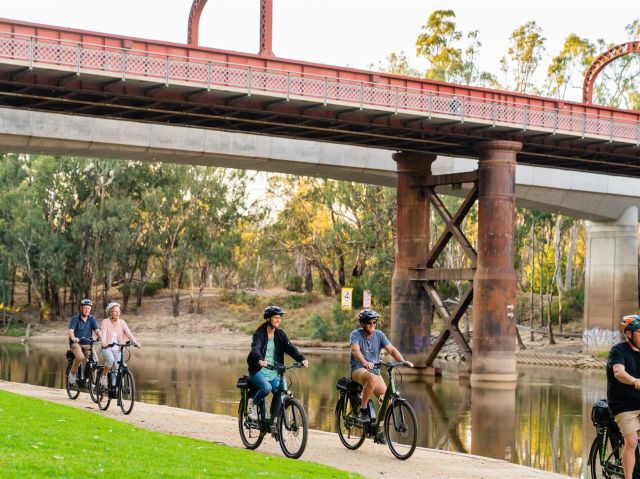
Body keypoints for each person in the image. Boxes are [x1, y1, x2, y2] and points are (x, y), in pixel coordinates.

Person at [350, 309, 413, 424]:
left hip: (374, 371)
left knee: (387, 402)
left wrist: (403, 361)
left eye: (374, 322)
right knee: (372, 378)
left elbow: (391, 349)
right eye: (369, 323)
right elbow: (355, 350)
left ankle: (378, 430)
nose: (372, 325)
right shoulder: (355, 334)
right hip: (358, 369)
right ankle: (363, 410)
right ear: (363, 324)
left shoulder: (379, 335)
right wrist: (364, 362)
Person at [246, 305, 308, 421]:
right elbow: (256, 347)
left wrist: (301, 359)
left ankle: (273, 422)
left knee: (280, 393)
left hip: (274, 371)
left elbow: (290, 348)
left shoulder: (280, 334)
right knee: (266, 388)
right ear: (268, 318)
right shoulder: (259, 334)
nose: (278, 320)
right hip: (258, 370)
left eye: (280, 317)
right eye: (275, 317)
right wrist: (260, 359)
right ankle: (252, 404)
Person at [607, 314, 640, 479]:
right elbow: (618, 372)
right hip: (623, 405)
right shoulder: (618, 350)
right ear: (629, 334)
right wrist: (634, 381)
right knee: (632, 441)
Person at [99, 302, 141, 387]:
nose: (118, 313)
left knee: (118, 369)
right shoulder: (105, 322)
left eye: (118, 311)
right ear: (110, 312)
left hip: (119, 349)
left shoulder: (122, 322)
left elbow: (129, 334)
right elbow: (103, 334)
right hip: (107, 348)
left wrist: (135, 342)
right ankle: (104, 376)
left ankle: (117, 389)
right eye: (115, 311)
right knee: (110, 359)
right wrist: (103, 342)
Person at [68, 298, 103, 385]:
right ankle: (72, 374)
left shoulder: (91, 318)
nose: (87, 310)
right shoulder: (75, 318)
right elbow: (71, 331)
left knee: (95, 360)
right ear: (81, 309)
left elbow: (97, 330)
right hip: (76, 343)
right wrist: (74, 338)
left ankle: (90, 380)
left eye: (89, 308)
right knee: (80, 357)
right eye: (85, 308)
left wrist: (102, 338)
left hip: (87, 344)